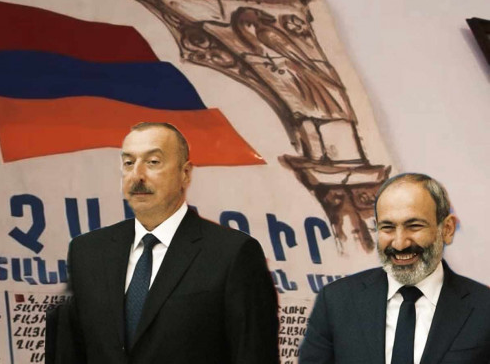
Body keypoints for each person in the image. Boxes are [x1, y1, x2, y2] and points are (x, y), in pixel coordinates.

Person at [64, 122, 279, 364]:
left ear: (185, 174)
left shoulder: (233, 254)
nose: (137, 175)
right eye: (129, 163)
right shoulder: (87, 252)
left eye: (153, 162)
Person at [299, 173, 490, 364]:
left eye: (414, 226)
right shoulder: (336, 302)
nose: (399, 244)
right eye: (388, 227)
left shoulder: (484, 307)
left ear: (447, 229)